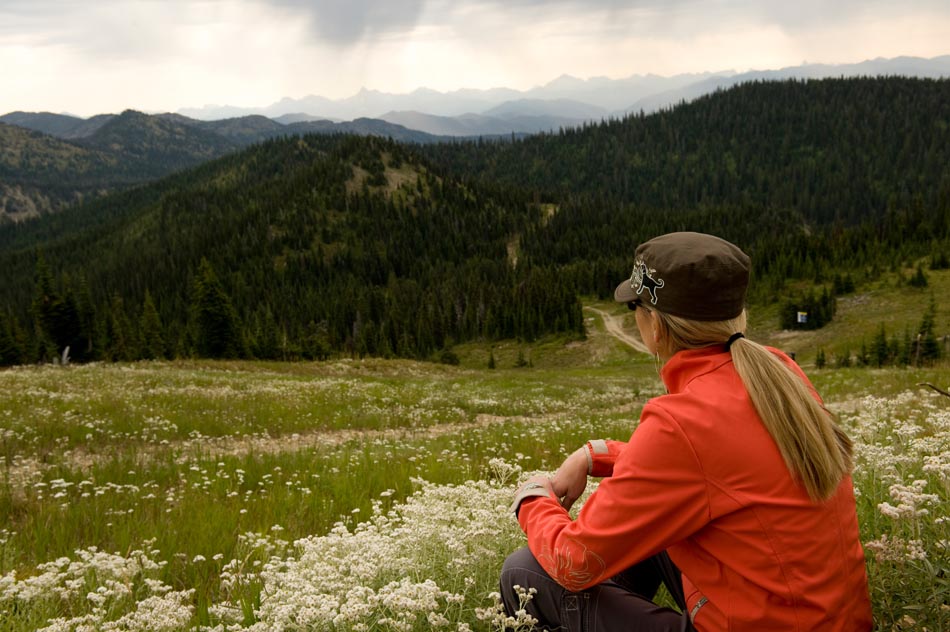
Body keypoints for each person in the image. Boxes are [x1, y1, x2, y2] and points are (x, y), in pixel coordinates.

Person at [502, 232, 872, 631]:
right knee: (636, 533)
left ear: (656, 325)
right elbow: (720, 469)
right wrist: (596, 454)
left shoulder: (683, 421)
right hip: (826, 618)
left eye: (635, 308)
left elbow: (573, 563)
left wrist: (533, 497)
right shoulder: (777, 371)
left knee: (525, 574)